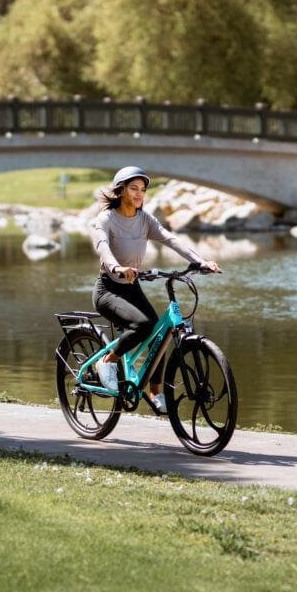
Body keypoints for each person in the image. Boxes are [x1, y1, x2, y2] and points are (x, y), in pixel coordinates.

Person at [90, 166, 220, 412]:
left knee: (159, 334)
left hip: (132, 286)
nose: (139, 194)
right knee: (143, 326)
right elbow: (103, 246)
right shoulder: (106, 218)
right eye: (134, 188)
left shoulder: (144, 219)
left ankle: (155, 392)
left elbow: (171, 239)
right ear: (121, 191)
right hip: (108, 289)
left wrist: (200, 261)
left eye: (143, 189)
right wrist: (117, 267)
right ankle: (108, 361)